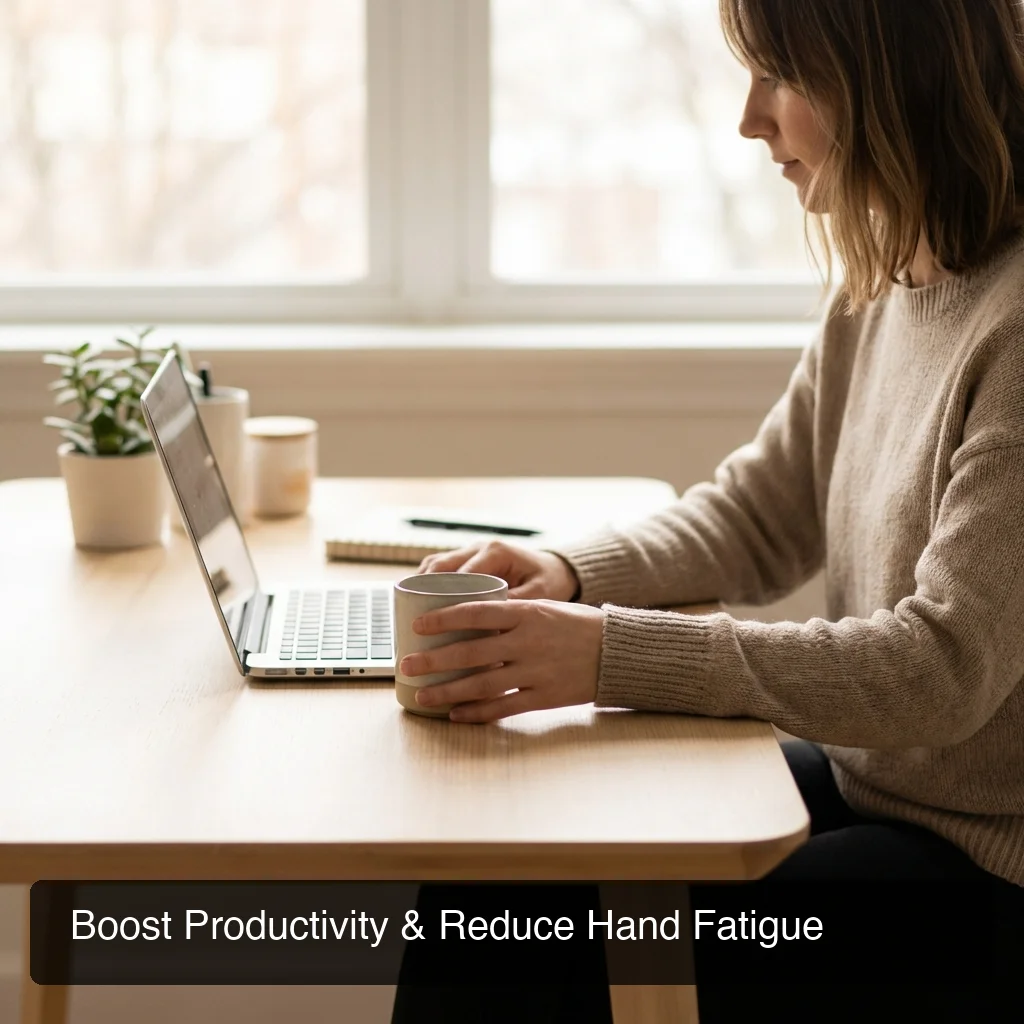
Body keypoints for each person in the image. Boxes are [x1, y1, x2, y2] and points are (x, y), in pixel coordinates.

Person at [391, 0, 1024, 1019]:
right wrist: (565, 573)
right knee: (493, 871)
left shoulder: (1016, 330)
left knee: (555, 937)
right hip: (878, 790)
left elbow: (939, 670)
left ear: (893, 79)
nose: (748, 119)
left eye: (779, 75)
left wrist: (602, 653)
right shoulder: (885, 276)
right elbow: (756, 515)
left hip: (984, 869)